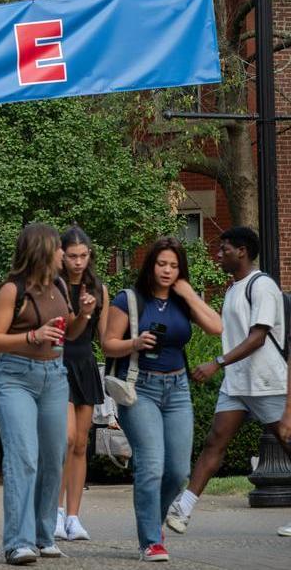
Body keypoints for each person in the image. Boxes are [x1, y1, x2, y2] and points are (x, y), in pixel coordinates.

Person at [102, 236, 221, 562]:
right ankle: (151, 541)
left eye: (174, 265)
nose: (167, 270)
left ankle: (152, 522)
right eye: (161, 264)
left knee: (178, 470)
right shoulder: (129, 299)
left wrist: (187, 293)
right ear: (150, 265)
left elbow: (216, 326)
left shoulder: (183, 300)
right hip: (140, 390)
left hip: (178, 389)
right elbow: (108, 344)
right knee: (151, 466)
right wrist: (135, 343)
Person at [0, 223, 96, 565]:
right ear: (42, 251)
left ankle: (44, 535)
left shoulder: (60, 285)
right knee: (23, 457)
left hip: (54, 375)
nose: (65, 254)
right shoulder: (12, 290)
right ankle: (17, 542)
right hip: (14, 377)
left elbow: (71, 331)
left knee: (55, 453)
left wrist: (85, 315)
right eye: (59, 249)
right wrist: (32, 336)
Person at [169, 226, 291, 538]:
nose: (218, 254)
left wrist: (217, 363)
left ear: (243, 251)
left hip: (266, 382)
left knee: (287, 443)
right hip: (237, 384)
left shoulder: (262, 286)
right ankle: (184, 508)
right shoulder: (233, 288)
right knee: (215, 441)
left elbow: (259, 337)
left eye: (224, 249)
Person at [56, 226, 109, 541]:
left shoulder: (98, 289)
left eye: (83, 255)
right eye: (72, 256)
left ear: (90, 256)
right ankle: (55, 512)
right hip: (58, 363)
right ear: (62, 255)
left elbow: (105, 338)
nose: (78, 261)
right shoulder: (54, 286)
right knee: (65, 439)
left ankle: (74, 516)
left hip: (85, 364)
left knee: (80, 444)